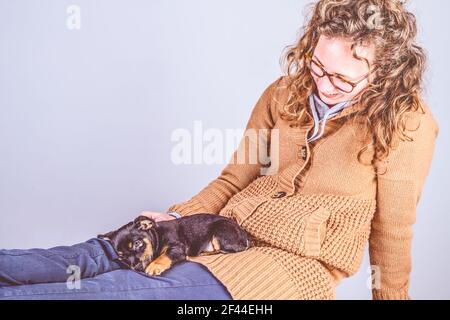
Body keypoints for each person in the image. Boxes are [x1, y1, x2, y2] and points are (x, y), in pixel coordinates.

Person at [0, 0, 439, 300]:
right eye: (318, 66)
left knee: (126, 289)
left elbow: (392, 230)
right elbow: (236, 177)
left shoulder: (407, 124)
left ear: (384, 74)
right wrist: (178, 217)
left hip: (288, 268)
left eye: (342, 80)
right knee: (92, 256)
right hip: (214, 230)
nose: (323, 85)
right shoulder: (283, 94)